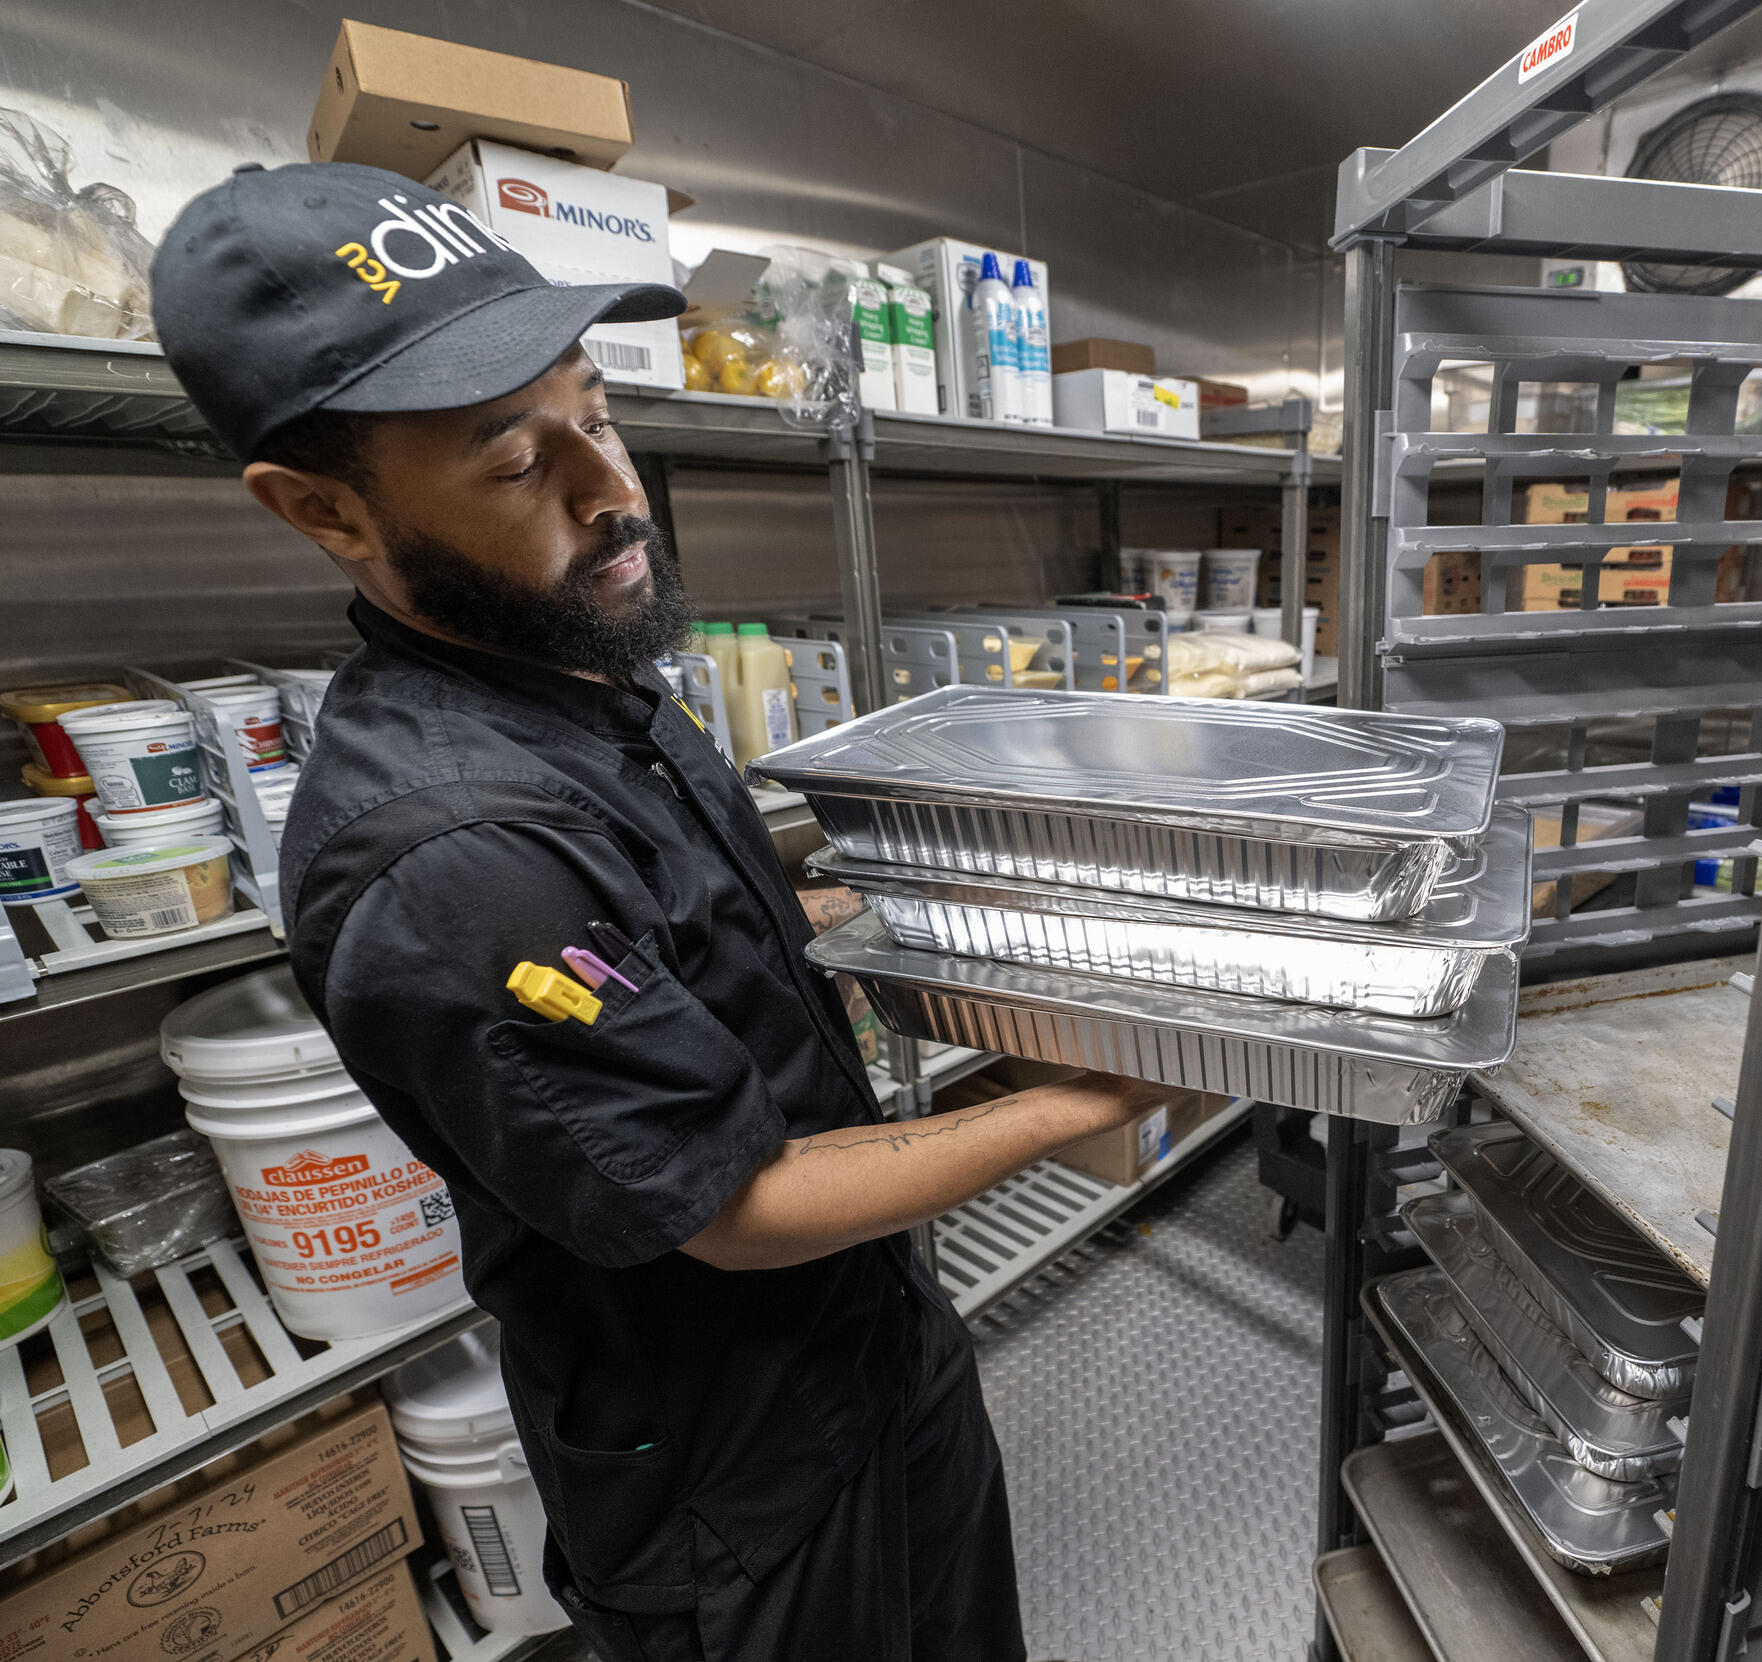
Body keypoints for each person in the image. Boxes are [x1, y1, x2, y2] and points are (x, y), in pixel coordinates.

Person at [148, 161, 1161, 1661]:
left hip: (874, 1344)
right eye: (512, 460)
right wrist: (1076, 1094)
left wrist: (954, 913)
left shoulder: (579, 666)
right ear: (325, 512)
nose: (612, 491)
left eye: (596, 413)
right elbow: (733, 1212)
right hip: (732, 1487)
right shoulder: (451, 853)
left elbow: (706, 928)